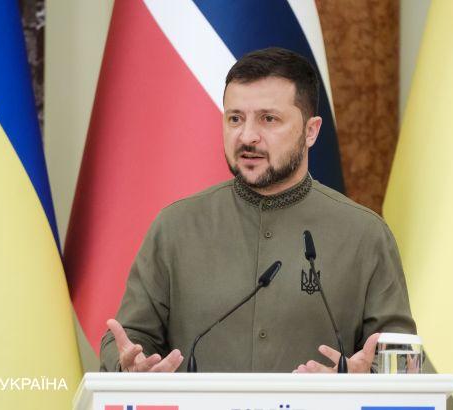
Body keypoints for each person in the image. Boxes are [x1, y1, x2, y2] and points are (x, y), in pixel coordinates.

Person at [100, 47, 416, 373]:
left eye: (269, 119)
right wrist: (129, 366)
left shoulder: (364, 234)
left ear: (311, 131)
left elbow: (404, 362)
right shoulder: (176, 227)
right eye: (235, 119)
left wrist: (366, 379)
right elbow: (129, 339)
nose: (247, 136)